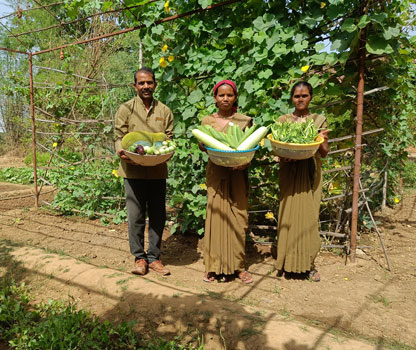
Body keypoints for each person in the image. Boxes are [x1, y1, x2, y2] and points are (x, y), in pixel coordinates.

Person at [114, 67, 174, 276]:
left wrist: (169, 153)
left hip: (158, 170)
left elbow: (169, 139)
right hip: (133, 170)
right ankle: (139, 258)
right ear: (135, 86)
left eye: (149, 82)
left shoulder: (164, 111)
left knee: (158, 216)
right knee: (135, 216)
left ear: (155, 84)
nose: (146, 86)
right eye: (141, 83)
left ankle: (154, 258)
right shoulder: (125, 109)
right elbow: (118, 136)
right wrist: (121, 151)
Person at [199, 80, 253, 284]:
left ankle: (238, 267)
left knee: (238, 218)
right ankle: (213, 267)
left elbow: (250, 147)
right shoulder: (207, 121)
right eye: (221, 95)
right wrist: (204, 145)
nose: (225, 98)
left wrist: (245, 163)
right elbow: (203, 146)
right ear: (215, 98)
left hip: (238, 175)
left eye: (229, 95)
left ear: (235, 97)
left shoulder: (244, 120)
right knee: (216, 218)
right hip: (216, 173)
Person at [275, 81, 329, 282]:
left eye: (304, 96)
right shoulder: (283, 120)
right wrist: (284, 155)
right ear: (292, 98)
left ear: (310, 97)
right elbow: (278, 149)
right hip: (289, 172)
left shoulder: (318, 120)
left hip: (309, 174)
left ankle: (308, 265)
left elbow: (324, 153)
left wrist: (321, 139)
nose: (300, 99)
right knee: (287, 215)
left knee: (308, 217)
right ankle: (285, 263)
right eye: (297, 96)